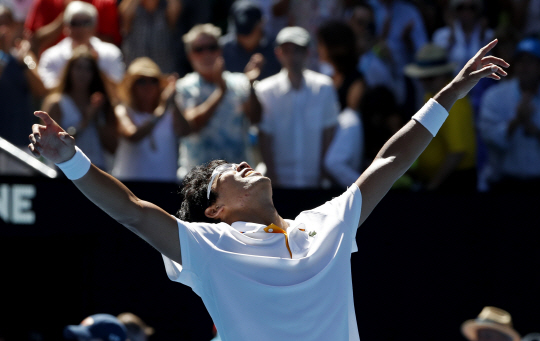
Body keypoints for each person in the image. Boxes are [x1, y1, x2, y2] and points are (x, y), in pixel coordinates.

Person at [28, 40, 508, 341]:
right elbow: (132, 210)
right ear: (215, 210)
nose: (242, 164)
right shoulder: (206, 245)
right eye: (226, 175)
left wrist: (449, 92)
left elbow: (390, 159)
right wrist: (70, 158)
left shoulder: (327, 225)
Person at [175, 23, 262, 179]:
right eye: (199, 49)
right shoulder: (184, 87)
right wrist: (220, 92)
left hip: (238, 178)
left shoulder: (240, 81)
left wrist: (251, 86)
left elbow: (255, 118)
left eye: (211, 47)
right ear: (190, 55)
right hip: (198, 180)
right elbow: (191, 125)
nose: (206, 54)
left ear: (220, 50)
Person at [256, 26, 339, 188]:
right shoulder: (265, 90)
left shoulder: (324, 87)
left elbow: (328, 132)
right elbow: (264, 137)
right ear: (278, 53)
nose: (292, 56)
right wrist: (273, 178)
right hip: (280, 182)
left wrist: (323, 173)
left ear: (307, 52)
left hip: (314, 182)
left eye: (297, 50)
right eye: (287, 50)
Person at [404, 43, 477, 192]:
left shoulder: (455, 103)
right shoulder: (431, 96)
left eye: (429, 77)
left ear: (444, 75)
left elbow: (457, 152)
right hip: (439, 181)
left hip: (454, 183)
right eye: (422, 78)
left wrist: (433, 186)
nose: (424, 82)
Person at [41, 45, 117, 171]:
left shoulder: (102, 103)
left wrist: (97, 118)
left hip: (97, 170)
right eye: (79, 68)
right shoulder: (57, 103)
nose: (83, 73)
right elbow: (54, 144)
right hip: (66, 171)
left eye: (88, 69)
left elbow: (113, 147)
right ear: (70, 70)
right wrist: (85, 121)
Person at [112, 57, 188, 182]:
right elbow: (133, 135)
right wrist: (161, 110)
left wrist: (173, 102)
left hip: (166, 186)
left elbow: (185, 131)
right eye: (141, 81)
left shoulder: (170, 111)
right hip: (130, 188)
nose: (148, 86)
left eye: (153, 81)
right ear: (132, 86)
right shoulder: (123, 111)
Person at [479, 37, 540, 193]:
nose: (525, 67)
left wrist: (533, 129)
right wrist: (516, 121)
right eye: (520, 61)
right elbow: (489, 138)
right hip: (505, 184)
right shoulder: (494, 96)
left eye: (531, 61)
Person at [37, 1, 124, 89]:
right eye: (74, 23)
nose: (80, 28)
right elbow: (48, 92)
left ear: (95, 26)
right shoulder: (51, 56)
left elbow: (119, 90)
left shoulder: (111, 53)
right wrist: (71, 66)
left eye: (86, 23)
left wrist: (96, 66)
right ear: (66, 27)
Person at [0, 5, 46, 149]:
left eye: (7, 23)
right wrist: (4, 53)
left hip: (21, 138)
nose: (3, 29)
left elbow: (40, 90)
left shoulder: (24, 55)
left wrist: (25, 61)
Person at [24, 0, 121, 54]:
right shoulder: (45, 2)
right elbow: (34, 42)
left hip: (95, 72)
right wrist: (66, 16)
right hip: (53, 71)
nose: (78, 28)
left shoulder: (104, 3)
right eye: (74, 23)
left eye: (84, 23)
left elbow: (110, 42)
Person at [220, 1, 281, 81]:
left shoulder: (278, 48)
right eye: (240, 31)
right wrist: (245, 80)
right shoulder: (221, 48)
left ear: (261, 23)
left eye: (248, 31)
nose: (244, 37)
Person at [119, 0, 182, 74]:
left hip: (164, 73)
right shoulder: (133, 9)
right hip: (135, 75)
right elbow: (124, 13)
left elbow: (176, 9)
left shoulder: (165, 8)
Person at [316, 20, 365, 111]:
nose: (318, 48)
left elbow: (351, 120)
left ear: (334, 47)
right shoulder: (327, 76)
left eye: (321, 44)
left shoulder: (356, 83)